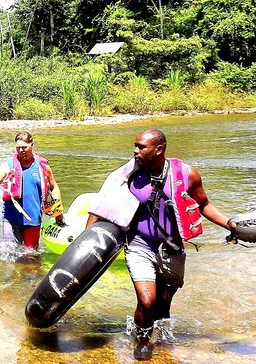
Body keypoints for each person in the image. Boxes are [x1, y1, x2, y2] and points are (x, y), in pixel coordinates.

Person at [86, 128, 237, 361]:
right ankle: (143, 339)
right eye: (135, 146)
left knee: (164, 303)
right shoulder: (129, 176)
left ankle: (161, 334)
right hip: (139, 244)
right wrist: (86, 243)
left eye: (141, 147)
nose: (135, 151)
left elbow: (204, 204)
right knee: (147, 301)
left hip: (172, 247)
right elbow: (101, 206)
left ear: (159, 149)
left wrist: (231, 225)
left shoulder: (187, 174)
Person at [0, 131, 64, 250]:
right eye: (18, 148)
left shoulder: (43, 167)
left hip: (33, 219)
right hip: (10, 218)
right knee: (8, 252)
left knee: (31, 256)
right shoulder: (8, 165)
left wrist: (57, 212)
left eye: (24, 147)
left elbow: (54, 187)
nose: (21, 150)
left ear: (32, 144)